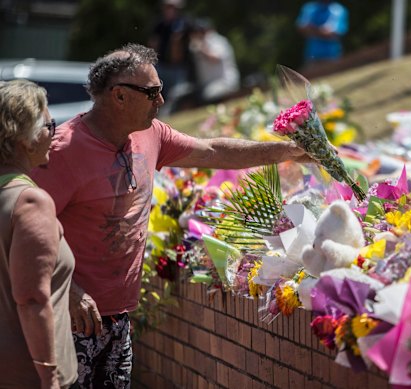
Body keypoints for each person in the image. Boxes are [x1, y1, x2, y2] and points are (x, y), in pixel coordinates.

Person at [31, 43, 310, 388]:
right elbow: (24, 230)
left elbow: (213, 151)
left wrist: (289, 151)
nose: (161, 101)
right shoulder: (63, 151)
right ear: (118, 96)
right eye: (152, 92)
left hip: (117, 317)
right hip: (68, 318)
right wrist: (68, 289)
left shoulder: (153, 134)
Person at [0, 80, 77, 388]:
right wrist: (51, 377)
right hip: (27, 377)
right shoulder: (31, 202)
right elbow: (32, 299)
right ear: (26, 140)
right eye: (49, 125)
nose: (53, 134)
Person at [148, 0, 193, 100]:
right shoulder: (160, 24)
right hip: (162, 66)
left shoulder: (185, 22)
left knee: (177, 95)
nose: (169, 10)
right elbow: (153, 43)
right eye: (167, 7)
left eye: (171, 7)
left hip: (179, 67)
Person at [189, 17, 240, 105]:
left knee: (207, 96)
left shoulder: (217, 40)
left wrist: (201, 49)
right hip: (209, 84)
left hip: (225, 82)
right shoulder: (197, 43)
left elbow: (216, 59)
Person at [296, 0, 349, 66]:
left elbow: (333, 33)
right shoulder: (309, 8)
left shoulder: (338, 10)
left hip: (332, 56)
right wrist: (321, 31)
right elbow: (301, 28)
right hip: (312, 56)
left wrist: (313, 29)